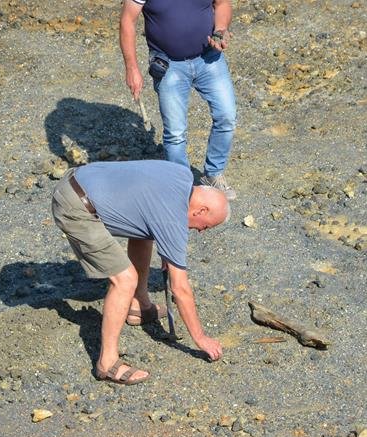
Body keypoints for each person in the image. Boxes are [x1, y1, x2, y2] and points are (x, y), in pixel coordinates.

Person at [51, 160, 228, 385]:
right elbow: (180, 289)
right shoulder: (172, 215)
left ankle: (139, 306)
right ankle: (107, 363)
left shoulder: (181, 176)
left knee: (144, 232)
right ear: (201, 210)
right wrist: (201, 338)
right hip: (75, 206)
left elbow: (146, 209)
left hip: (79, 179)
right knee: (124, 279)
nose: (201, 231)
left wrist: (168, 245)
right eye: (207, 226)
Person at [120, 0, 238, 200]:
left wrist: (220, 29)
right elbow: (127, 21)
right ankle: (181, 187)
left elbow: (222, 3)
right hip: (169, 64)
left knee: (227, 117)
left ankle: (213, 174)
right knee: (175, 133)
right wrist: (132, 68)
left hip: (209, 58)